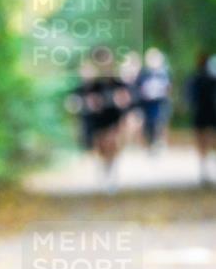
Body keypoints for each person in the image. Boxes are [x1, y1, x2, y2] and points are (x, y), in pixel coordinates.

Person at [69, 46, 132, 192]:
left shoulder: (117, 81)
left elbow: (128, 97)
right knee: (102, 146)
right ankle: (105, 168)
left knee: (112, 142)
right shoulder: (93, 84)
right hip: (97, 119)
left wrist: (122, 101)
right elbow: (81, 99)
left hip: (114, 117)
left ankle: (111, 171)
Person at [185, 52, 216, 184]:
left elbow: (190, 98)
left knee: (203, 141)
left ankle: (204, 169)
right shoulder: (207, 79)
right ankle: (205, 170)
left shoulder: (197, 79)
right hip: (207, 113)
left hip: (204, 113)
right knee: (205, 141)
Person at [134, 47, 172, 151]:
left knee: (161, 122)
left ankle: (160, 142)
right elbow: (138, 87)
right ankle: (148, 144)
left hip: (160, 102)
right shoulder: (144, 73)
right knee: (148, 124)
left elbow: (169, 87)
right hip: (147, 103)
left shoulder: (164, 72)